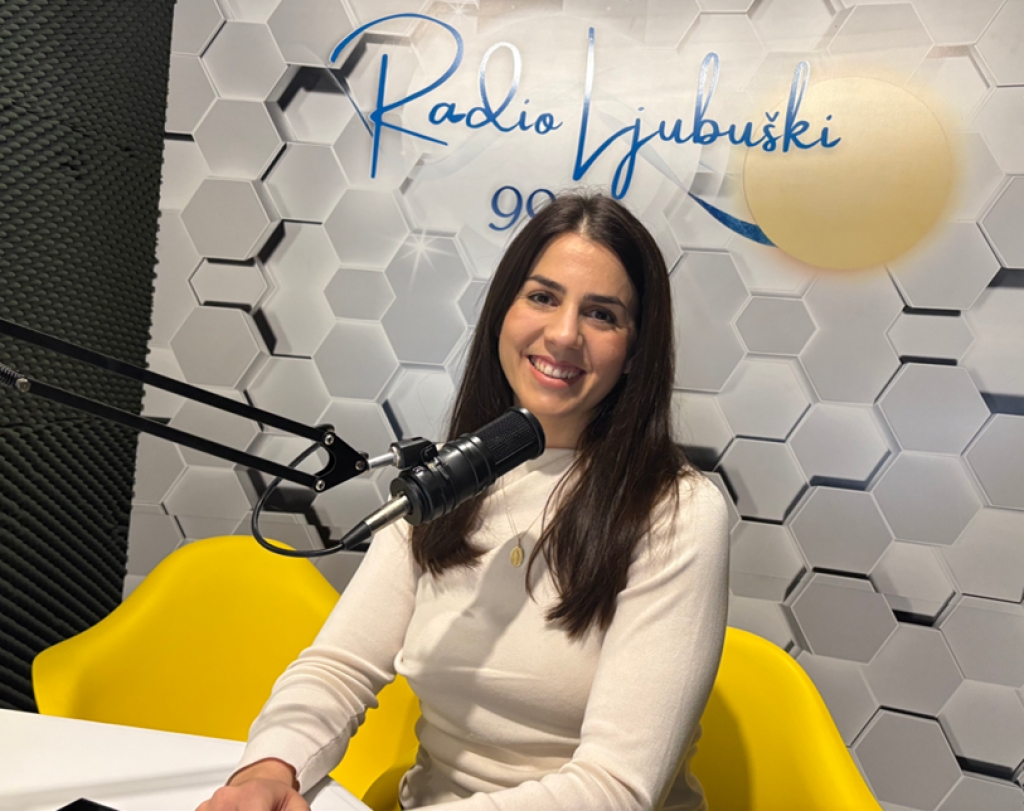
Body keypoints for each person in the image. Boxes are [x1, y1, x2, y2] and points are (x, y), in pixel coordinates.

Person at [198, 191, 730, 811]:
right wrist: (267, 770)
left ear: (635, 351)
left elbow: (616, 788)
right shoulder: (447, 478)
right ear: (503, 312)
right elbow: (339, 667)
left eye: (601, 314)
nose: (564, 334)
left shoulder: (679, 512)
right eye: (543, 297)